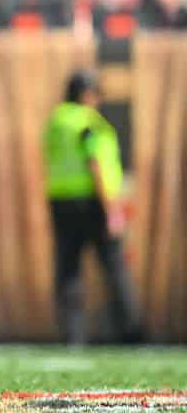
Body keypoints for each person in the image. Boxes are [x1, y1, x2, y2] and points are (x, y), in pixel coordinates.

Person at [44, 70, 141, 344]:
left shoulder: (56, 121)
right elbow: (94, 162)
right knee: (114, 267)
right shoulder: (87, 123)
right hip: (92, 202)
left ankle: (72, 336)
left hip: (61, 201)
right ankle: (130, 332)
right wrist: (111, 209)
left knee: (68, 270)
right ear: (86, 94)